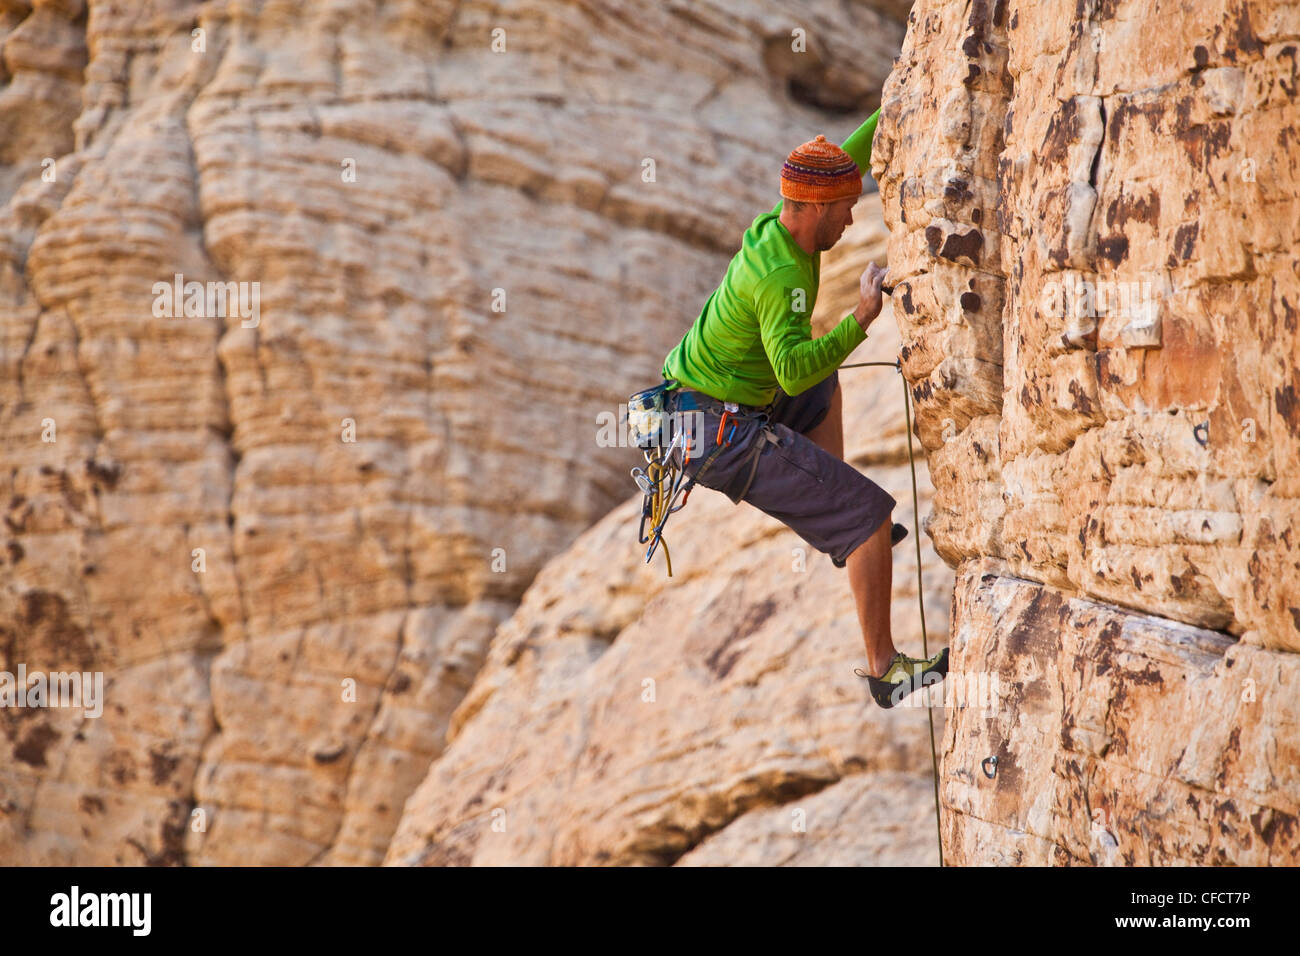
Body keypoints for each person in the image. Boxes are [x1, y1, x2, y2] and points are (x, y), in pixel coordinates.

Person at [658, 108, 948, 709]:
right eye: (846, 209)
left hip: (702, 405)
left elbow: (848, 158)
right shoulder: (783, 272)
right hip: (713, 430)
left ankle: (831, 503)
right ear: (817, 208)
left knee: (823, 391)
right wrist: (861, 319)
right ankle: (885, 670)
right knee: (868, 517)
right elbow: (790, 368)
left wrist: (897, 98)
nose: (851, 216)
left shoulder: (788, 219)